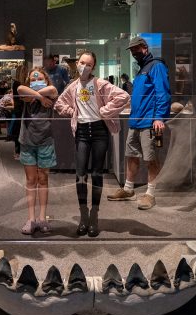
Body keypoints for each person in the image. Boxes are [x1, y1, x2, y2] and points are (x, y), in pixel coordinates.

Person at [55, 52, 130, 237]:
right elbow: (59, 104)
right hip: (81, 131)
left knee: (97, 173)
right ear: (77, 63)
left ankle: (94, 215)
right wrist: (72, 111)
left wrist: (105, 111)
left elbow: (123, 96)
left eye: (88, 64)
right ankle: (83, 216)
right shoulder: (73, 86)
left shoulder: (100, 84)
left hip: (99, 132)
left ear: (93, 67)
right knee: (80, 174)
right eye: (82, 62)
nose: (84, 67)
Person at [107, 36, 170, 210]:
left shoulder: (156, 66)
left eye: (136, 48)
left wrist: (159, 117)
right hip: (135, 121)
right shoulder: (142, 69)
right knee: (131, 155)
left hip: (149, 122)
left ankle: (150, 194)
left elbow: (162, 93)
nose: (134, 52)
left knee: (150, 158)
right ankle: (128, 189)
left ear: (145, 47)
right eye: (132, 50)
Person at [17, 67, 58, 235]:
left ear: (46, 79)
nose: (36, 81)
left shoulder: (50, 92)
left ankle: (42, 217)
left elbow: (53, 90)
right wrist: (40, 97)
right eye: (32, 80)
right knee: (30, 180)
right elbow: (20, 89)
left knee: (43, 179)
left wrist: (37, 94)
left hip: (45, 142)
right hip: (27, 141)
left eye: (39, 78)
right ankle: (31, 218)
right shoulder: (27, 95)